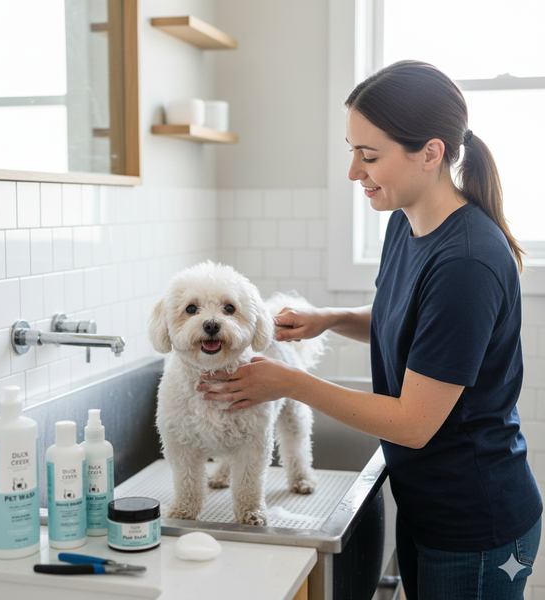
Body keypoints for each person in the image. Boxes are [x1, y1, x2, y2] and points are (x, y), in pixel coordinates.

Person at [197, 60, 542, 599]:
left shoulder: (467, 263)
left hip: (474, 519)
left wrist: (289, 383)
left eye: (370, 155)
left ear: (430, 153)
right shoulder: (408, 224)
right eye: (352, 150)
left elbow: (413, 423)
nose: (354, 172)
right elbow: (403, 319)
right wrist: (328, 320)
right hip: (432, 502)